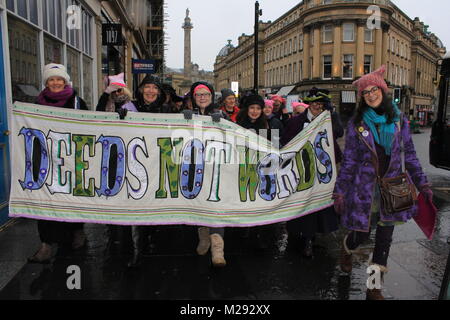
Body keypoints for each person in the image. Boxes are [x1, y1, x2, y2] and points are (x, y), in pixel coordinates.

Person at [333, 65, 433, 300]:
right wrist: (340, 191)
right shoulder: (357, 125)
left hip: (393, 186)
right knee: (361, 234)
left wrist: (423, 184)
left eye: (373, 89)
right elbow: (349, 161)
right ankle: (348, 248)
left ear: (382, 90)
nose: (370, 94)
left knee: (384, 240)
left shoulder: (400, 121)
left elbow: (409, 155)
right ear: (362, 97)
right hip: (364, 189)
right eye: (365, 92)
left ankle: (373, 286)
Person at [29, 63, 88, 263]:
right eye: (51, 79)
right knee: (44, 200)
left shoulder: (77, 102)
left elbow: (89, 127)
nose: (55, 83)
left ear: (65, 81)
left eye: (59, 79)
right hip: (46, 159)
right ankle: (45, 244)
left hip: (72, 159)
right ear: (46, 82)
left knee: (72, 198)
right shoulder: (37, 102)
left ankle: (77, 232)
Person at [281, 88, 344, 258]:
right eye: (315, 103)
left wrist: (332, 115)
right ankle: (300, 235)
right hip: (300, 169)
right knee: (301, 202)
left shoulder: (328, 120)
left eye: (321, 104)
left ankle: (311, 236)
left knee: (317, 204)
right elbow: (286, 143)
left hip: (322, 169)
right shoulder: (296, 122)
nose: (317, 107)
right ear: (309, 104)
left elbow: (338, 133)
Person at [127, 74, 168, 267]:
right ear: (141, 89)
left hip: (158, 163)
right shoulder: (129, 108)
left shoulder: (167, 110)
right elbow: (104, 118)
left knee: (157, 205)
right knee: (139, 205)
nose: (151, 91)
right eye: (148, 87)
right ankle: (139, 249)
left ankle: (156, 244)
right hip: (136, 163)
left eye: (155, 88)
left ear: (159, 92)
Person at [190, 81, 228, 267]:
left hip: (216, 168)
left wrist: (222, 123)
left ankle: (217, 249)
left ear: (212, 97)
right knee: (200, 204)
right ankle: (203, 238)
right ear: (194, 98)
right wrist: (184, 121)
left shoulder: (221, 114)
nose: (202, 97)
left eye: (206, 94)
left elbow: (233, 137)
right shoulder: (187, 115)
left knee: (215, 207)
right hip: (195, 168)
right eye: (199, 95)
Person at [237, 94, 279, 249]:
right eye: (252, 108)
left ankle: (258, 230)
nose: (255, 111)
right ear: (247, 109)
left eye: (258, 108)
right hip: (242, 166)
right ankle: (244, 226)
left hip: (261, 168)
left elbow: (275, 148)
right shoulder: (238, 124)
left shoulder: (268, 125)